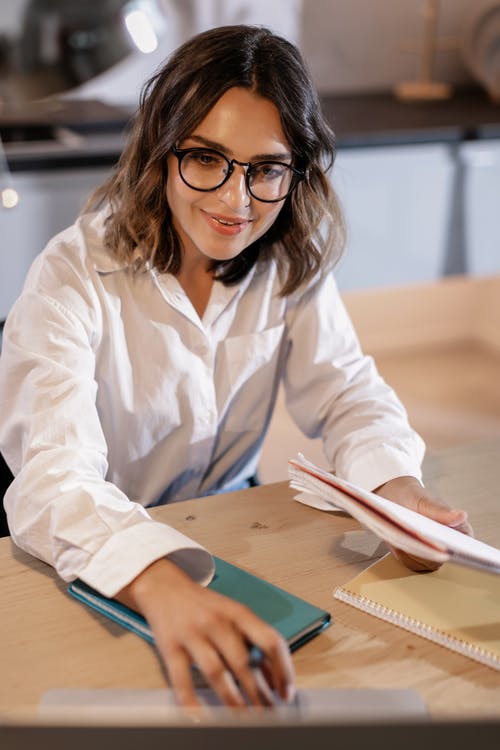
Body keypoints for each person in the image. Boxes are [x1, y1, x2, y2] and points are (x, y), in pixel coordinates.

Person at [0, 25, 471, 709]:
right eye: (206, 159)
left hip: (225, 528)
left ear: (295, 172)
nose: (235, 200)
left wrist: (395, 488)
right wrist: (160, 582)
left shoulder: (288, 259)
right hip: (100, 546)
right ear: (162, 152)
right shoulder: (71, 275)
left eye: (266, 168)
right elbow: (52, 479)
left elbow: (347, 391)